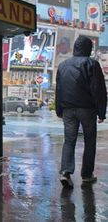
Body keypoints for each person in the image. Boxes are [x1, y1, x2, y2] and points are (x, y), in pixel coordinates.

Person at [56, 36, 107, 188]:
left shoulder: (63, 65)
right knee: (89, 141)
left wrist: (59, 110)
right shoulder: (92, 64)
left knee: (69, 140)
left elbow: (59, 89)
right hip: (87, 109)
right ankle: (86, 175)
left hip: (68, 110)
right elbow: (98, 90)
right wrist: (101, 112)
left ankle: (65, 172)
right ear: (88, 49)